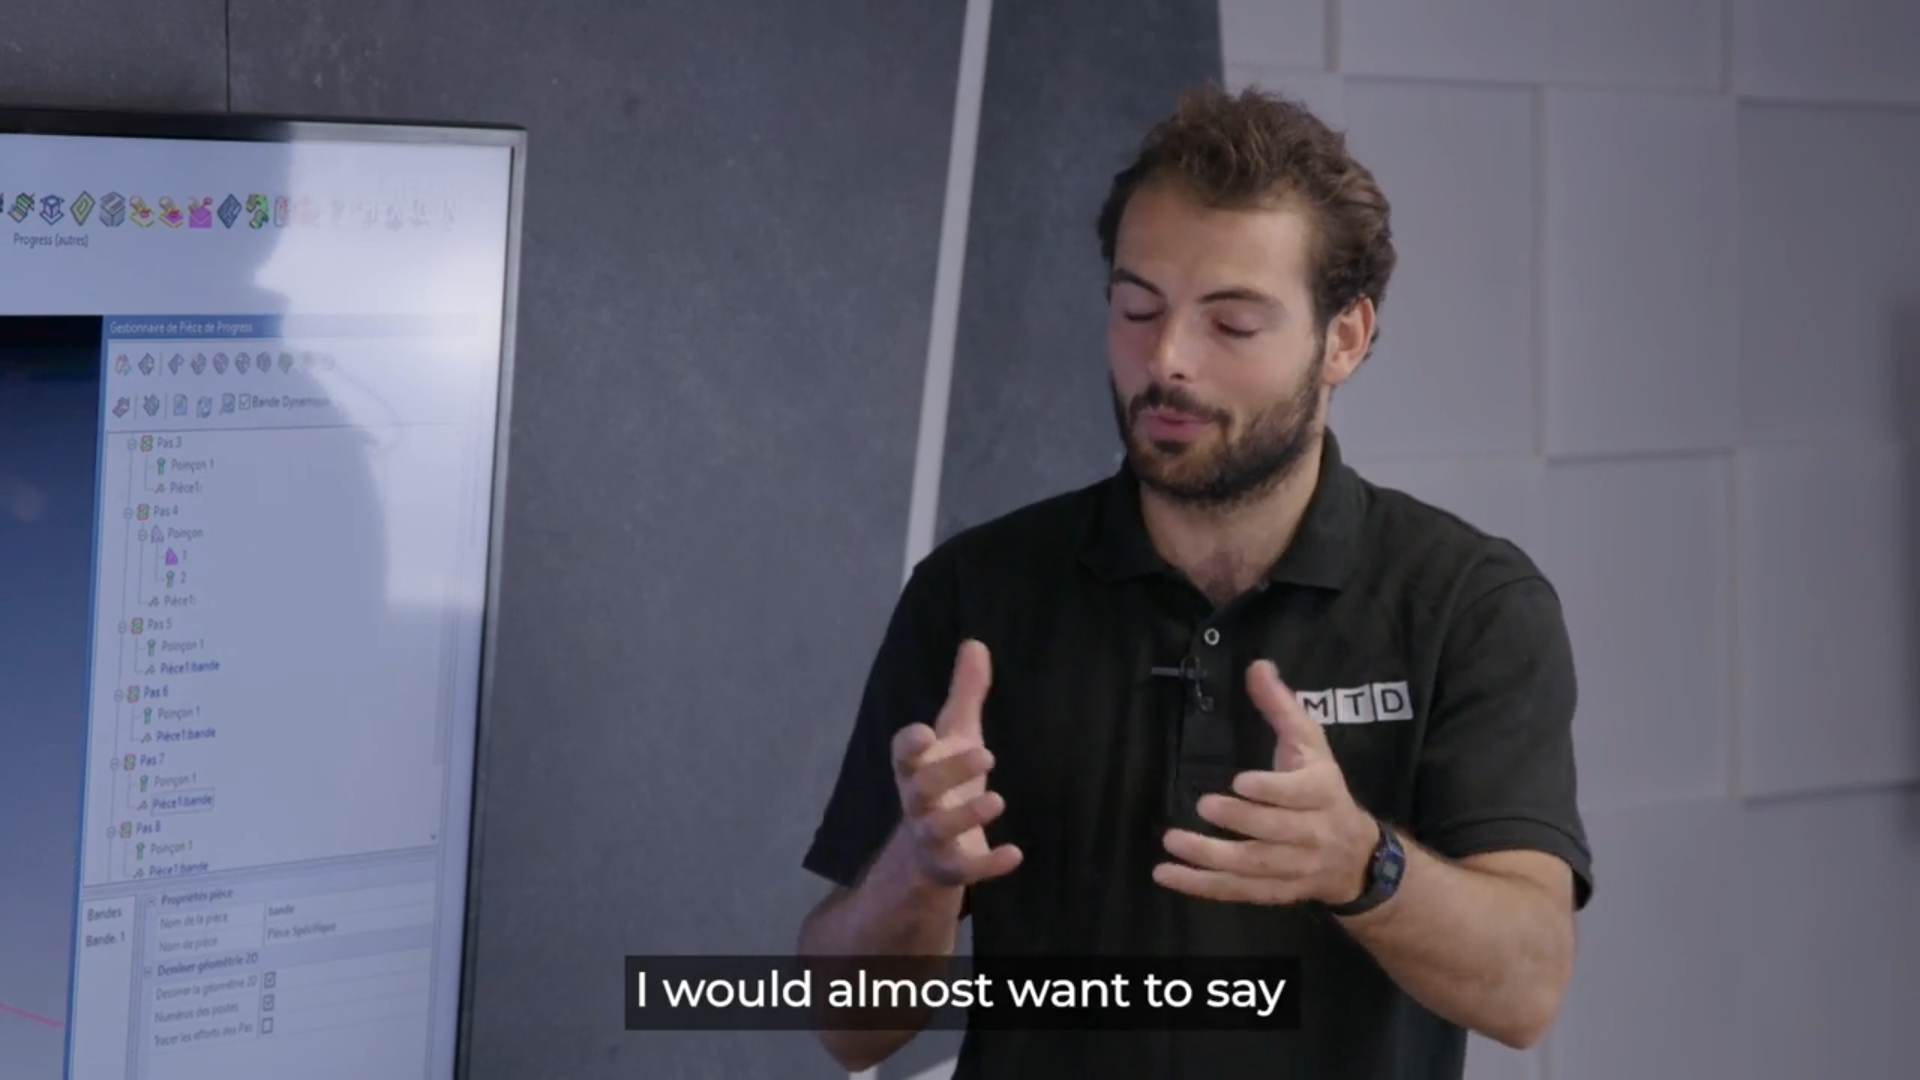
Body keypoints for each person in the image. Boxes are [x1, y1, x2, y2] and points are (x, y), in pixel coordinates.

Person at [795, 83, 1593, 1079]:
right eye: (1138, 308)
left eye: (1233, 324)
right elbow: (845, 1025)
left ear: (1344, 338)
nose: (1166, 360)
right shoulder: (977, 592)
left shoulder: (1467, 603)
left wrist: (1361, 862)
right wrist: (915, 871)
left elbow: (1525, 990)